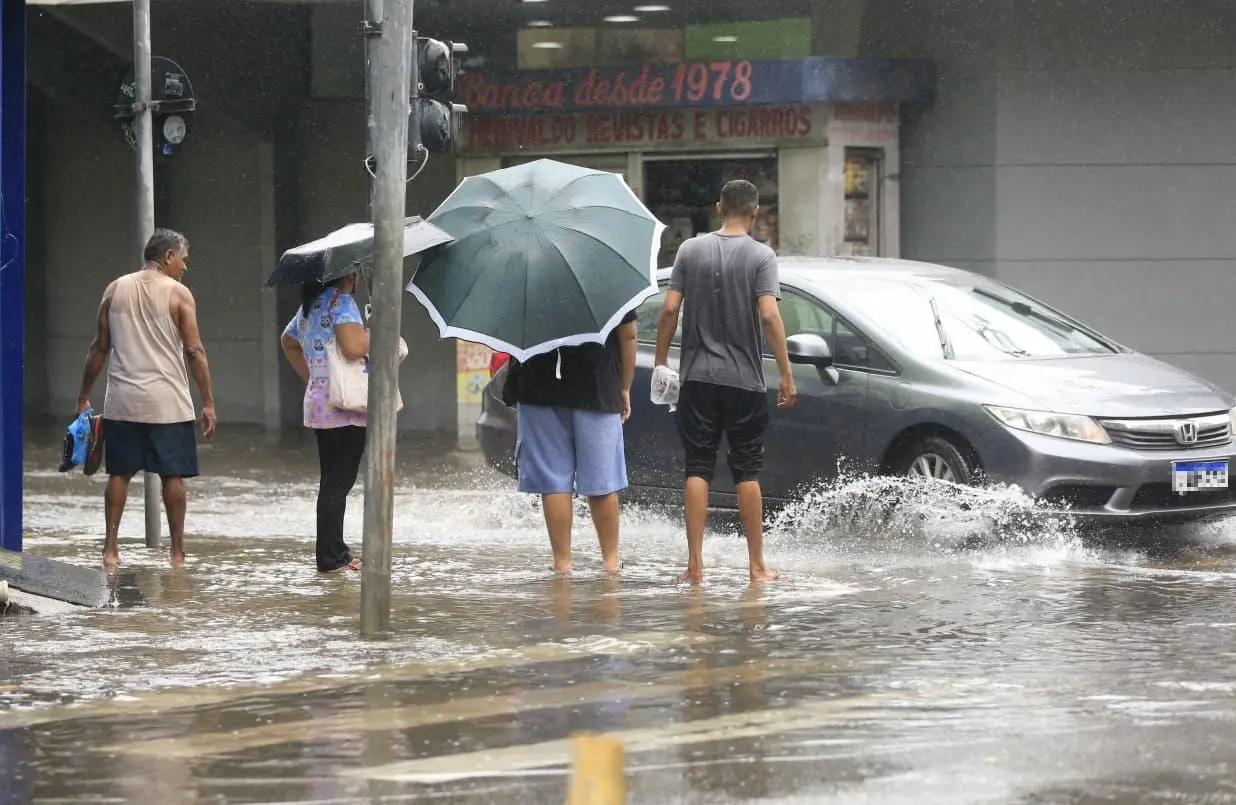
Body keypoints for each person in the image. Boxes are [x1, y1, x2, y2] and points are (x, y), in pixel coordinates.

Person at [654, 179, 798, 584]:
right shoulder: (761, 257)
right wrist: (786, 375)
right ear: (755, 211)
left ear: (719, 207)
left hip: (697, 378)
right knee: (747, 470)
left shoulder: (689, 250)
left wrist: (663, 361)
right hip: (744, 382)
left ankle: (694, 566)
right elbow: (770, 316)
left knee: (697, 466)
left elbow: (668, 310)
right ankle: (756, 567)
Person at [76, 229, 216, 567]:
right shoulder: (179, 294)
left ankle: (110, 551)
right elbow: (194, 350)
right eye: (183, 259)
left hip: (122, 401)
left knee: (119, 474)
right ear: (167, 257)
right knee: (173, 476)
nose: (185, 267)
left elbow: (99, 348)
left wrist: (83, 396)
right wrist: (208, 401)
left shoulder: (115, 289)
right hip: (167, 402)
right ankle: (177, 554)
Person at [503, 311, 639, 576]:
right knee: (602, 480)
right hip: (597, 384)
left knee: (554, 482)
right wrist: (624, 387)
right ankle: (611, 563)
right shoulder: (608, 276)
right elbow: (629, 335)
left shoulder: (527, 275)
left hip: (538, 385)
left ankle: (562, 565)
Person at [280, 271, 373, 573]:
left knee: (332, 481)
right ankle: (331, 559)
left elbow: (288, 342)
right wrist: (377, 330)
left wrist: (315, 378)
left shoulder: (311, 304)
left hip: (322, 403)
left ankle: (336, 553)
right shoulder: (342, 302)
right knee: (338, 483)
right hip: (344, 405)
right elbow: (354, 347)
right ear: (349, 274)